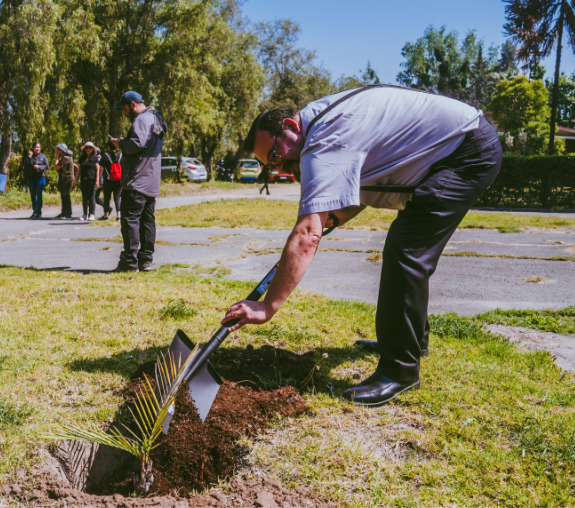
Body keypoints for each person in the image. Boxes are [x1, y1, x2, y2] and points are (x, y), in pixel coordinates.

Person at [220, 85, 502, 406]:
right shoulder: (326, 124)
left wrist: (267, 306)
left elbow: (306, 235)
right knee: (407, 247)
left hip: (465, 152)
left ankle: (400, 371)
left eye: (276, 156)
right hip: (459, 147)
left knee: (406, 249)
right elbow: (360, 187)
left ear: (291, 127)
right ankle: (413, 341)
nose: (281, 169)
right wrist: (335, 218)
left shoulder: (325, 139)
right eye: (272, 167)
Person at [109, 91, 167, 273]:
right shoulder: (156, 117)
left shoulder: (142, 119)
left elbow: (136, 144)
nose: (124, 114)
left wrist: (120, 143)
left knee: (130, 221)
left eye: (125, 109)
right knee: (147, 221)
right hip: (151, 181)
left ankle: (129, 262)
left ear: (133, 104)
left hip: (136, 180)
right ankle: (145, 260)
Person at [96, 141, 122, 221]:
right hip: (118, 181)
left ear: (108, 147)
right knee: (117, 198)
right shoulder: (120, 156)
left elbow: (101, 170)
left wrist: (99, 180)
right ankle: (119, 216)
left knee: (107, 198)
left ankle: (106, 216)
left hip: (108, 181)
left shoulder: (105, 156)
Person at [24, 142, 49, 219]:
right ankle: (35, 211)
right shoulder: (29, 156)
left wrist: (39, 167)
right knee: (33, 195)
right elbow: (25, 164)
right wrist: (29, 157)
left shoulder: (43, 156)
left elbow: (47, 166)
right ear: (33, 148)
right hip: (31, 178)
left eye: (39, 147)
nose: (38, 149)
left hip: (40, 178)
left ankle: (39, 212)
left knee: (39, 194)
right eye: (36, 147)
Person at [77, 141, 100, 221]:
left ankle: (92, 214)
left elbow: (97, 169)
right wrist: (75, 180)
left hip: (92, 180)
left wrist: (97, 181)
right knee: (84, 197)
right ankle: (84, 214)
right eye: (86, 148)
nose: (88, 149)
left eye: (90, 148)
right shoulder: (81, 158)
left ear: (92, 149)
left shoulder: (95, 158)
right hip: (83, 180)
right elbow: (78, 170)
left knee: (91, 197)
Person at [54, 144, 77, 219]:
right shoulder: (65, 157)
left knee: (66, 196)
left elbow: (57, 166)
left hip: (67, 180)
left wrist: (57, 157)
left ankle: (67, 213)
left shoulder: (65, 158)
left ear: (61, 151)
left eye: (58, 150)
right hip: (64, 180)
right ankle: (64, 212)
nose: (57, 151)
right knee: (64, 196)